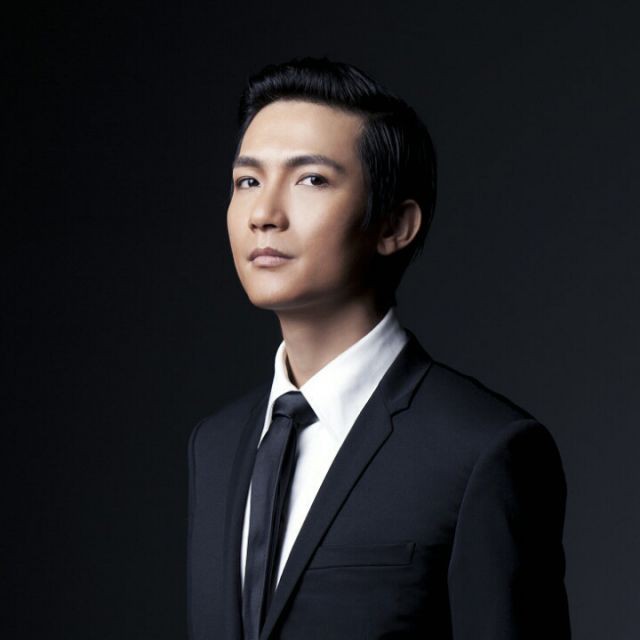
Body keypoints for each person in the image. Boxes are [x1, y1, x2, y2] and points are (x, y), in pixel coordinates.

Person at [187, 57, 571, 640]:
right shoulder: (215, 446)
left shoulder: (483, 451)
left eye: (311, 179)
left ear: (394, 226)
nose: (264, 214)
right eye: (248, 182)